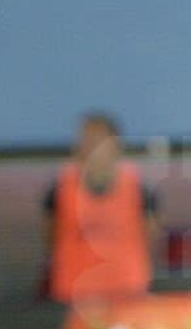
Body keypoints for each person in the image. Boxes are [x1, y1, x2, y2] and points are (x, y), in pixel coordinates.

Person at [44, 113, 156, 302]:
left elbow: (150, 235)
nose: (91, 147)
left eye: (99, 141)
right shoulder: (61, 187)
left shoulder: (137, 187)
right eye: (86, 140)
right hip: (73, 293)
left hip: (127, 291)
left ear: (115, 145)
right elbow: (50, 235)